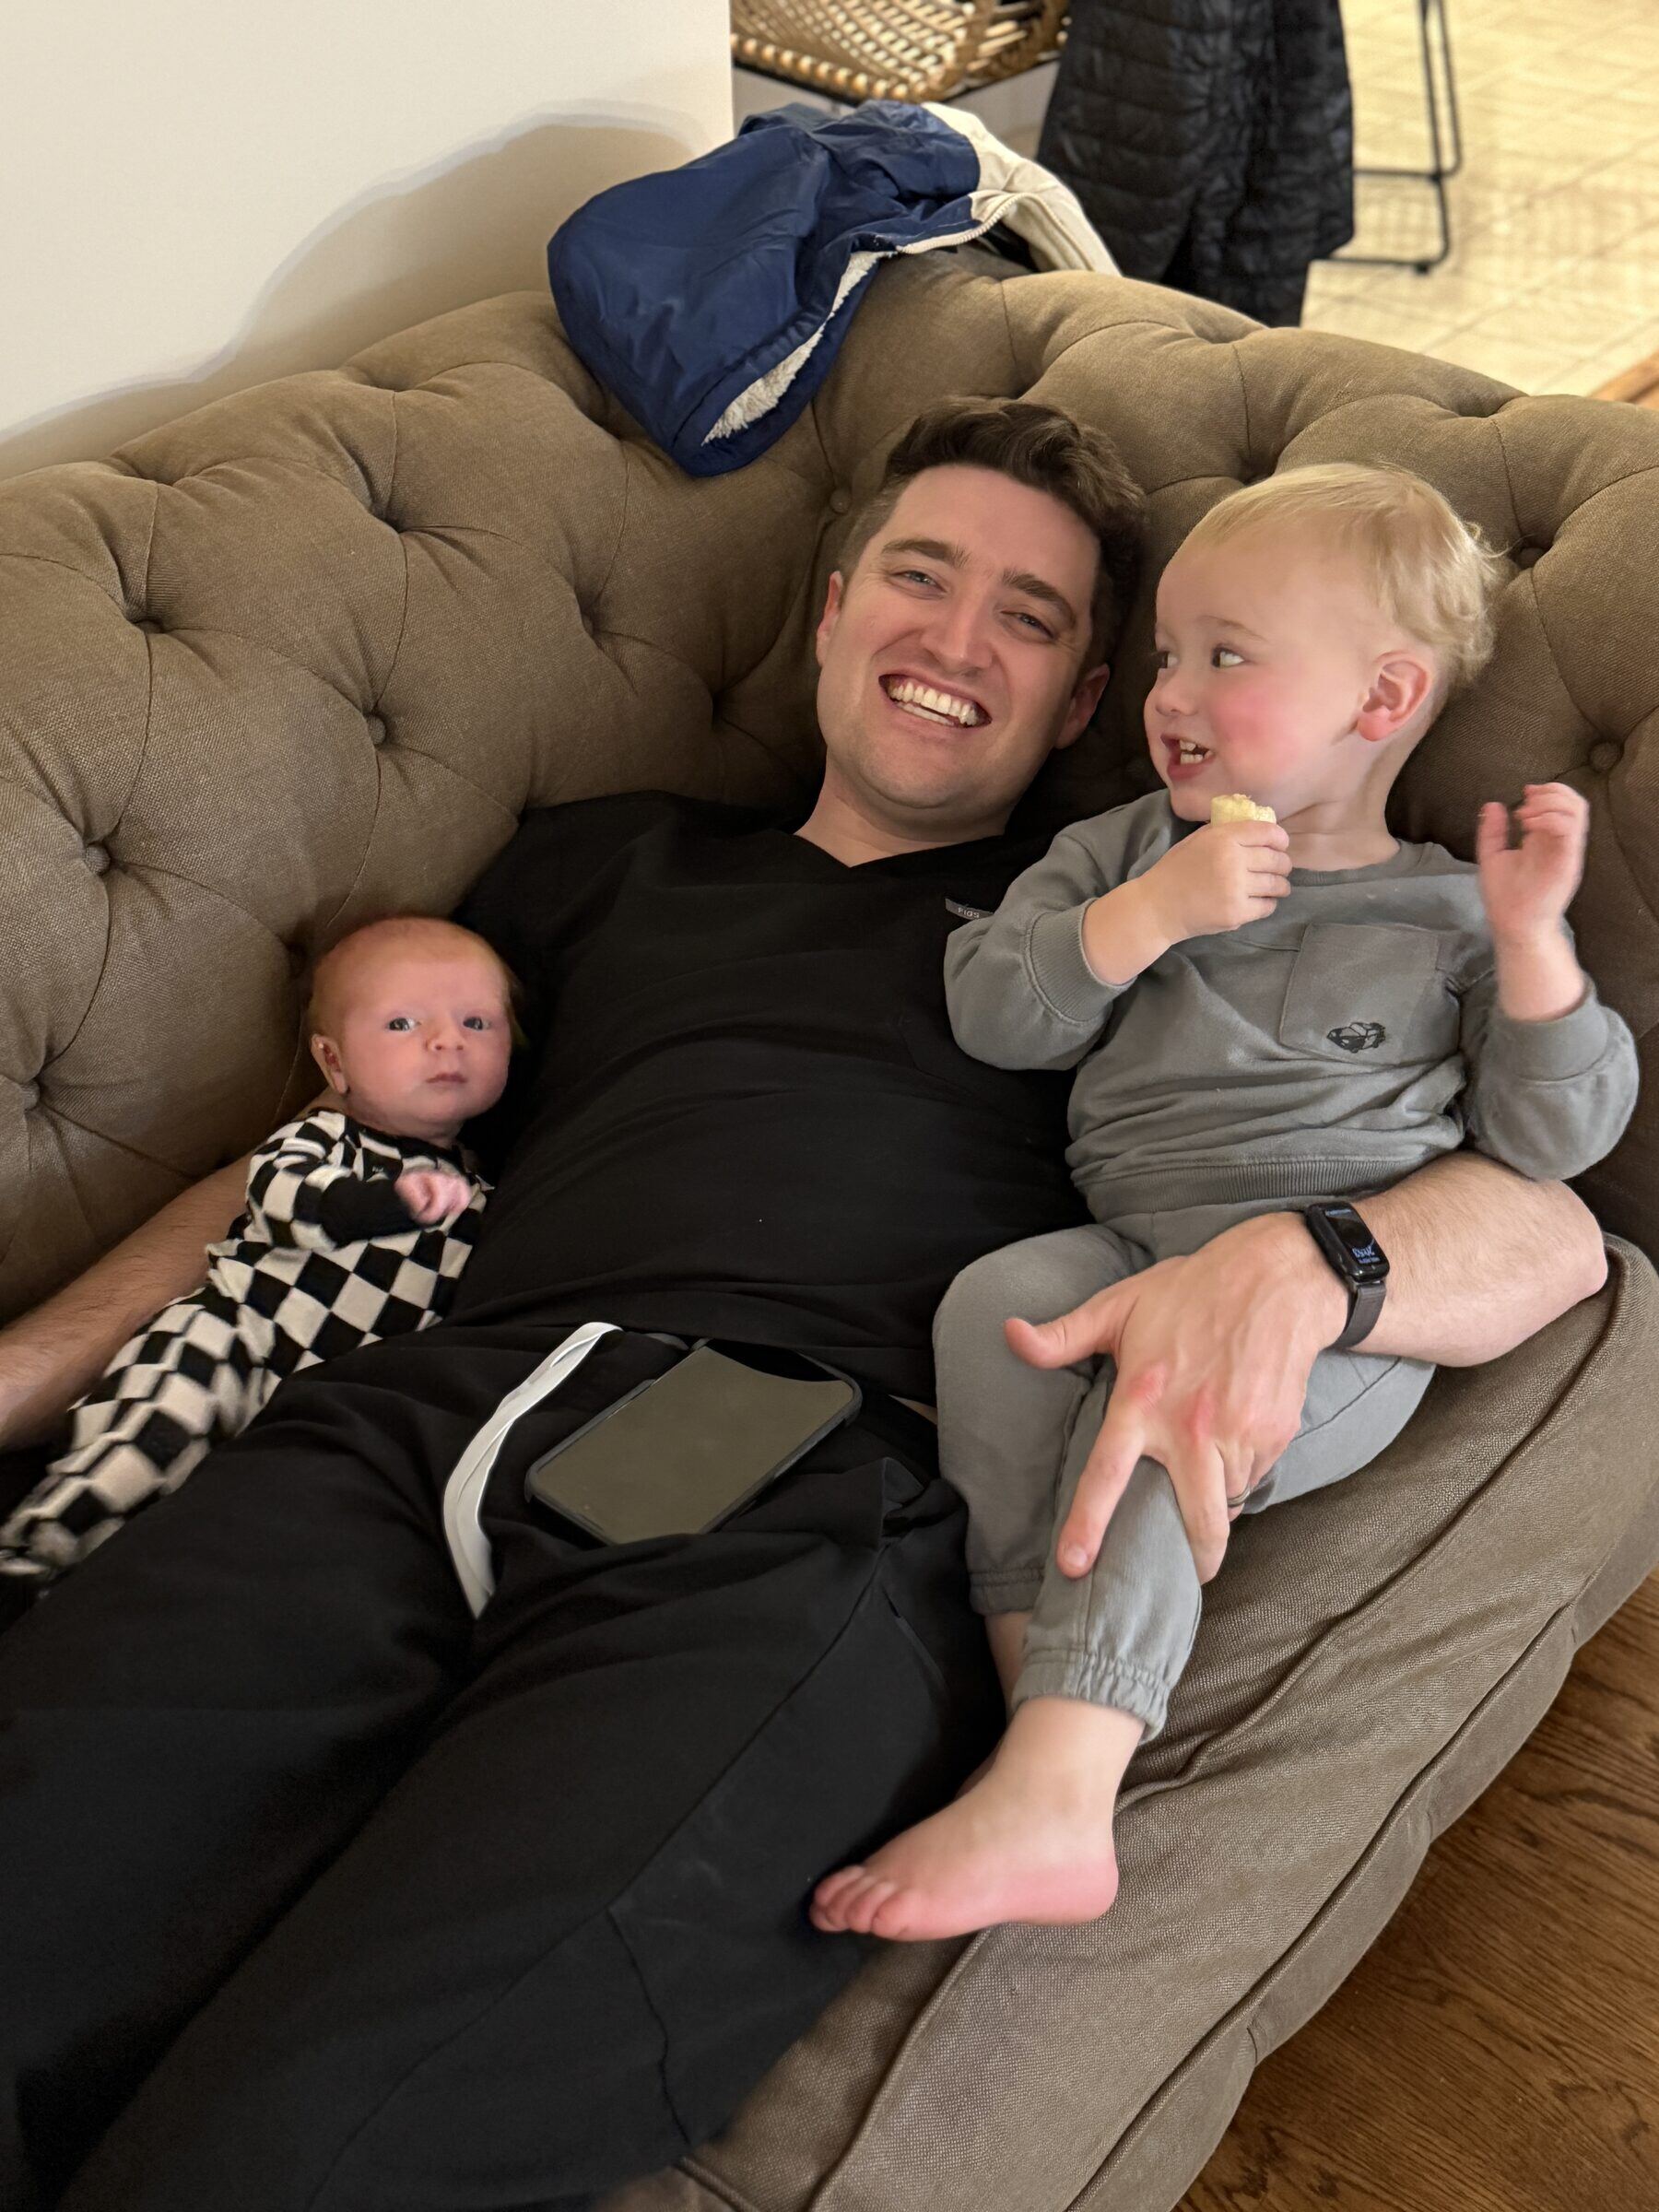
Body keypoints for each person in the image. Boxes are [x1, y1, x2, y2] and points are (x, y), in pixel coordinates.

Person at [0, 405, 1611, 2212]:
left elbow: (1560, 1240)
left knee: (330, 2132)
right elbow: (333, 1148)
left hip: (782, 1461)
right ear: (835, 610)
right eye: (922, 577)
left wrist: (1316, 1265)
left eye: (1030, 617)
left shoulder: (1146, 920)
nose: (954, 636)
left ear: (1086, 703)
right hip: (420, 1416)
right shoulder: (603, 864)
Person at [809, 465, 1638, 1944]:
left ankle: (1063, 1787)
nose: (1172, 691)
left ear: (1382, 702)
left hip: (1339, 1314)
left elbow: (1549, 1138)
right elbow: (997, 1006)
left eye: (1228, 655)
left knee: (1159, 1397)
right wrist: (1154, 913)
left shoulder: (1451, 911)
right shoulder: (1130, 849)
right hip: (1128, 1234)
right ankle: (1037, 1714)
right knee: (995, 1310)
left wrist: (1533, 953)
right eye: (1172, 653)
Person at [0, 916, 510, 1586]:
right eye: (402, 1025)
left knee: (229, 1534)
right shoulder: (325, 1141)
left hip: (327, 1404)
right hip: (240, 1336)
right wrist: (386, 1204)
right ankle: (33, 1550)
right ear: (335, 1063)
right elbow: (293, 1202)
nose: (448, 1040)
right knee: (153, 1433)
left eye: (477, 1023)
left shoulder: (482, 1190)